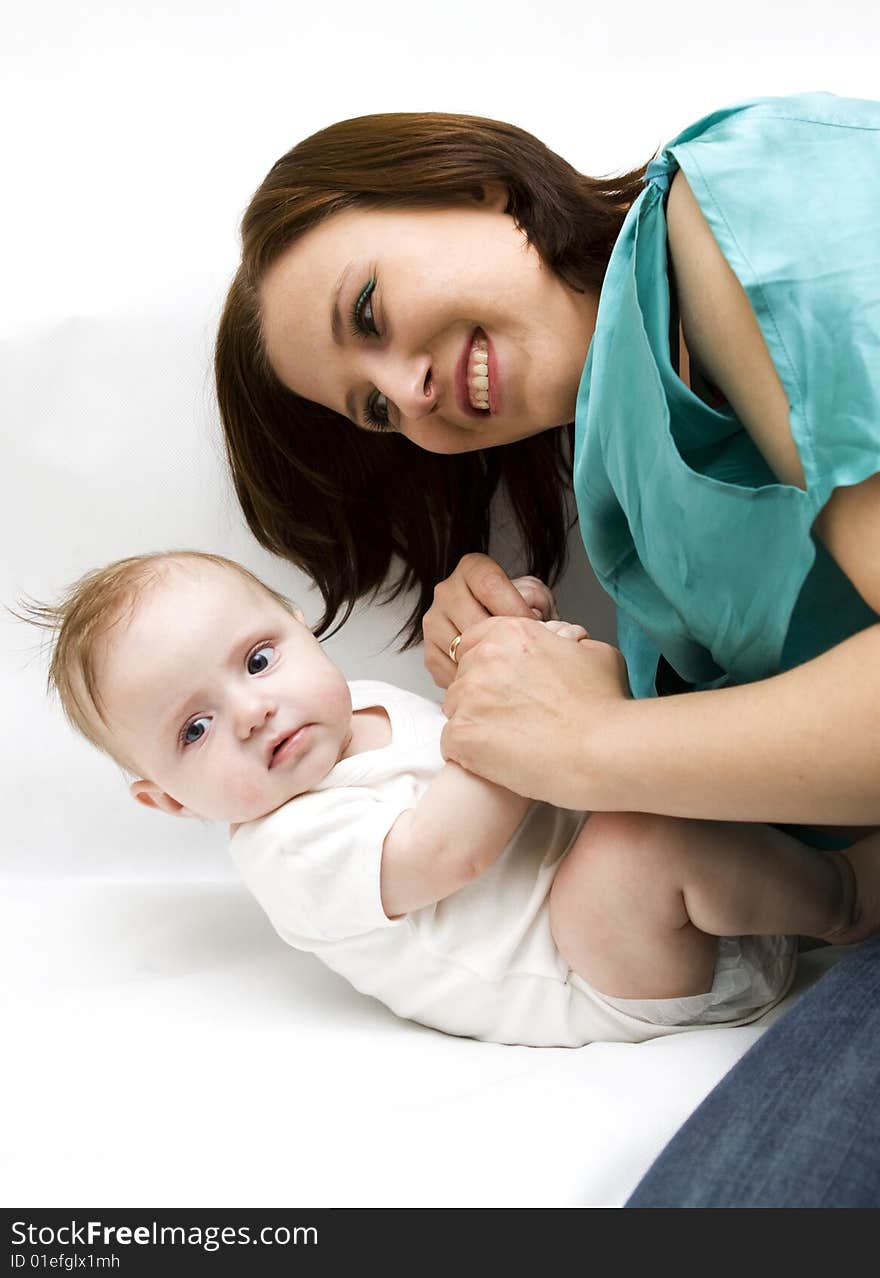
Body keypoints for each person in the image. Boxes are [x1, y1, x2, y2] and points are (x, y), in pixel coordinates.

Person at [212, 91, 880, 1202]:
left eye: (368, 310)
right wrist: (527, 662)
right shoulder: (630, 470)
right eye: (374, 412)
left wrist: (586, 744)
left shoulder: (730, 210)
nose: (407, 394)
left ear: (467, 183)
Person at [26, 549, 879, 1050]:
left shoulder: (361, 704)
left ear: (299, 623)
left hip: (664, 902)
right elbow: (453, 847)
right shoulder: (289, 849)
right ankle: (842, 899)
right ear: (168, 802)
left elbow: (514, 743)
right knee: (633, 842)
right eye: (195, 730)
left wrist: (514, 641)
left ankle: (802, 853)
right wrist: (512, 698)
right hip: (597, 973)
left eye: (256, 660)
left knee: (645, 781)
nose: (253, 713)